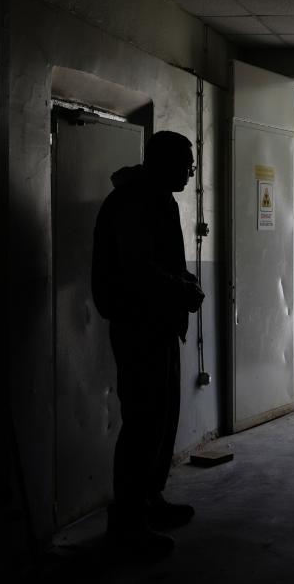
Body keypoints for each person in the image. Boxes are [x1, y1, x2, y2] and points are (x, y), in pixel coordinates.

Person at [92, 130, 205, 557]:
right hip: (139, 326)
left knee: (161, 419)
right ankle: (127, 524)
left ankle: (149, 500)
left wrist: (184, 280)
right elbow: (138, 271)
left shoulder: (157, 198)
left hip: (159, 325)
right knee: (142, 424)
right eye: (186, 165)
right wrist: (182, 289)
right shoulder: (134, 203)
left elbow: (162, 262)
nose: (190, 173)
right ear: (163, 162)